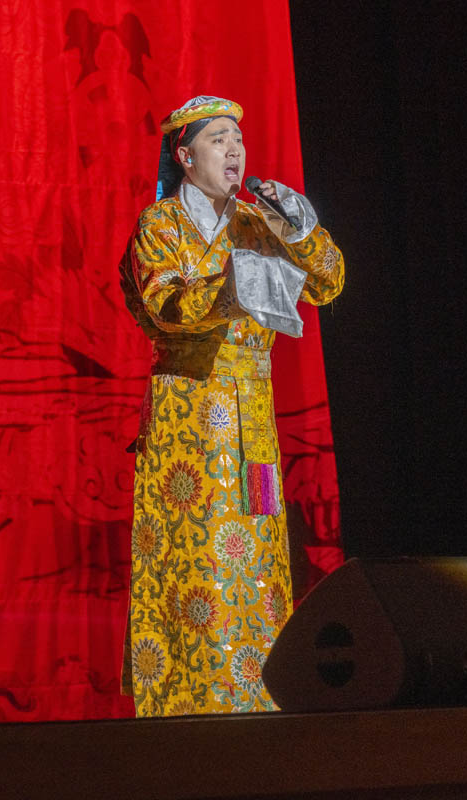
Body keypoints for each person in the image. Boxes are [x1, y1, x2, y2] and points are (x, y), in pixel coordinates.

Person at [118, 95, 344, 716]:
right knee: (192, 561)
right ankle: (188, 705)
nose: (234, 149)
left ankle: (260, 698)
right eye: (218, 139)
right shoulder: (160, 226)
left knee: (260, 551)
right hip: (186, 421)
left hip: (254, 429)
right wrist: (231, 287)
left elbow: (328, 283)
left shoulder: (256, 222)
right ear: (185, 156)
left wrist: (301, 231)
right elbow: (166, 306)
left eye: (238, 139)